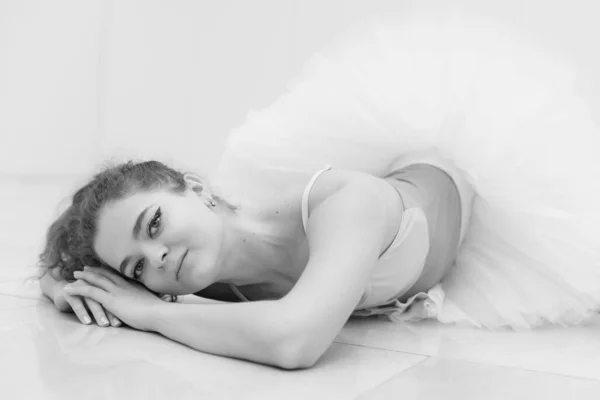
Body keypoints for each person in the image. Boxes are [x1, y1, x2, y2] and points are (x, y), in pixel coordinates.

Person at [36, 10, 600, 369]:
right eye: (135, 269)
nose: (156, 258)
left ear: (197, 189)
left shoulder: (345, 204)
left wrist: (147, 313)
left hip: (460, 173)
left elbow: (294, 341)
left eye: (153, 224)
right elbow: (62, 269)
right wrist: (62, 286)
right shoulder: (203, 281)